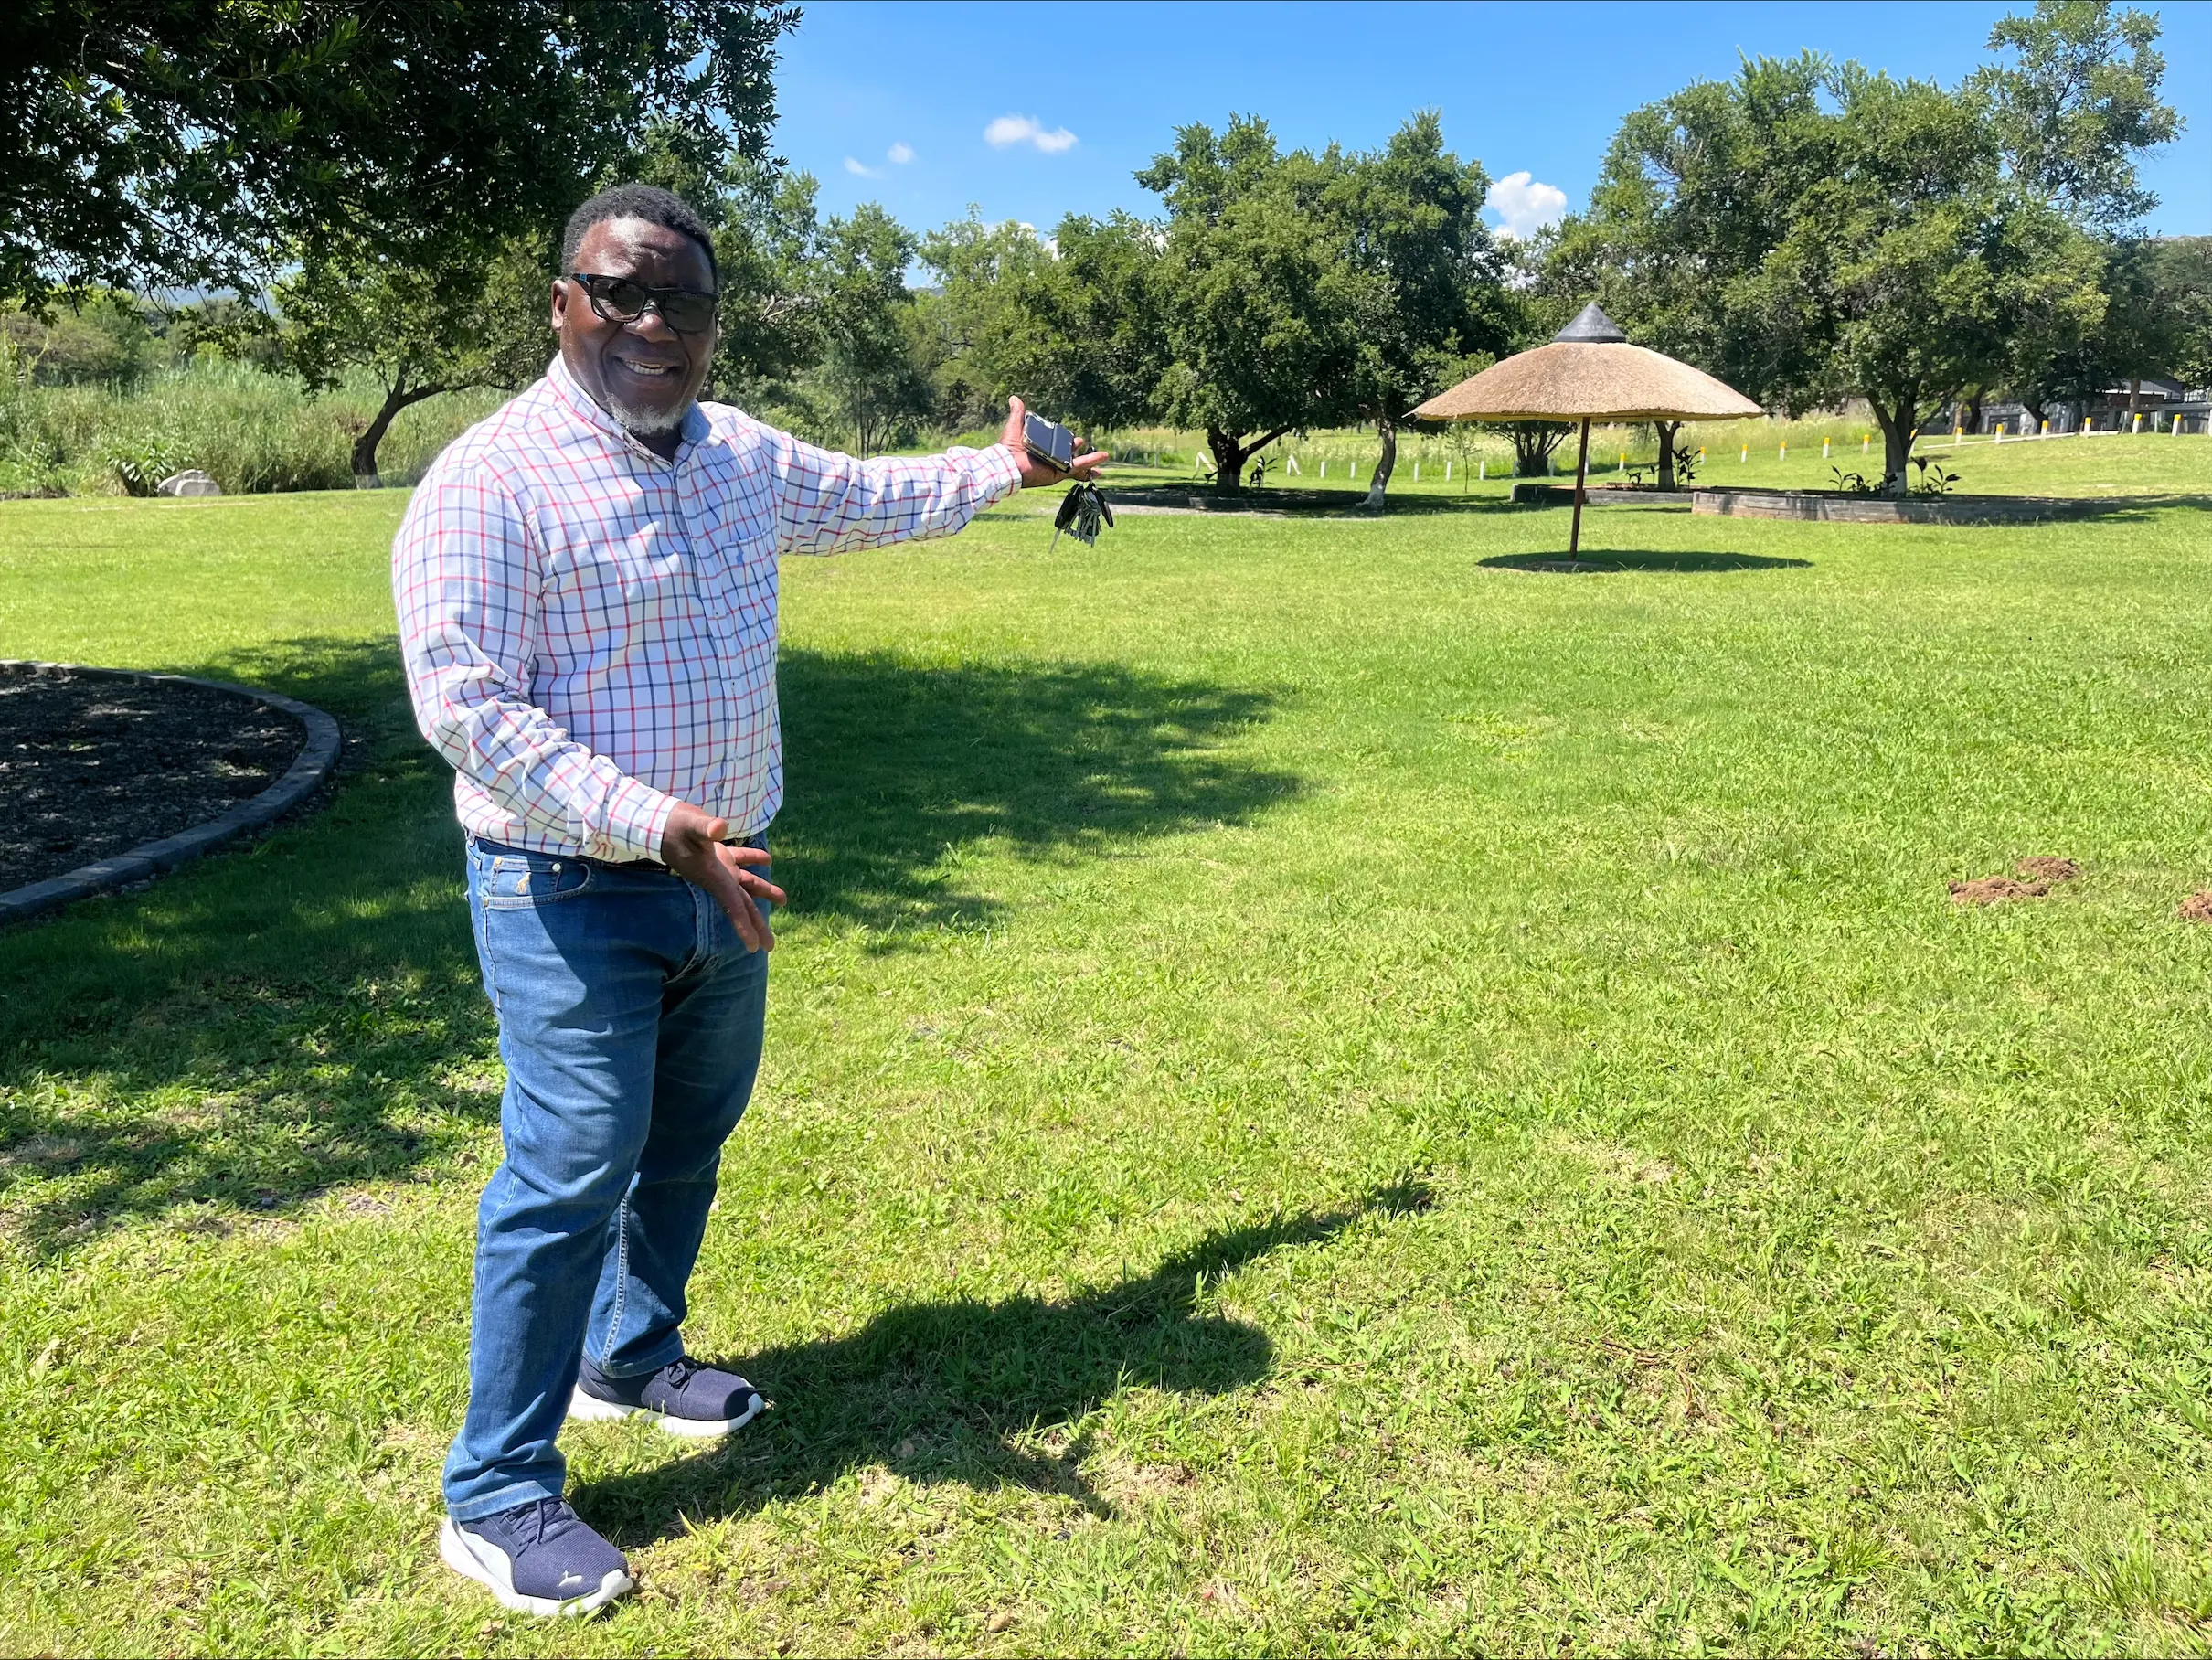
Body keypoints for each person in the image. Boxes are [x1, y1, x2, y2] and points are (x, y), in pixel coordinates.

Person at [390, 182, 1105, 1618]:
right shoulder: (490, 479)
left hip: (727, 877)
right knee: (565, 1176)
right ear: (564, 303)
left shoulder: (733, 454)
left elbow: (865, 496)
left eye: (685, 301)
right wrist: (653, 826)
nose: (654, 323)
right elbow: (466, 708)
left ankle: (629, 1358)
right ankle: (497, 1493)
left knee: (685, 1143)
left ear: (714, 324)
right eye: (622, 291)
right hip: (568, 886)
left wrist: (1002, 468)